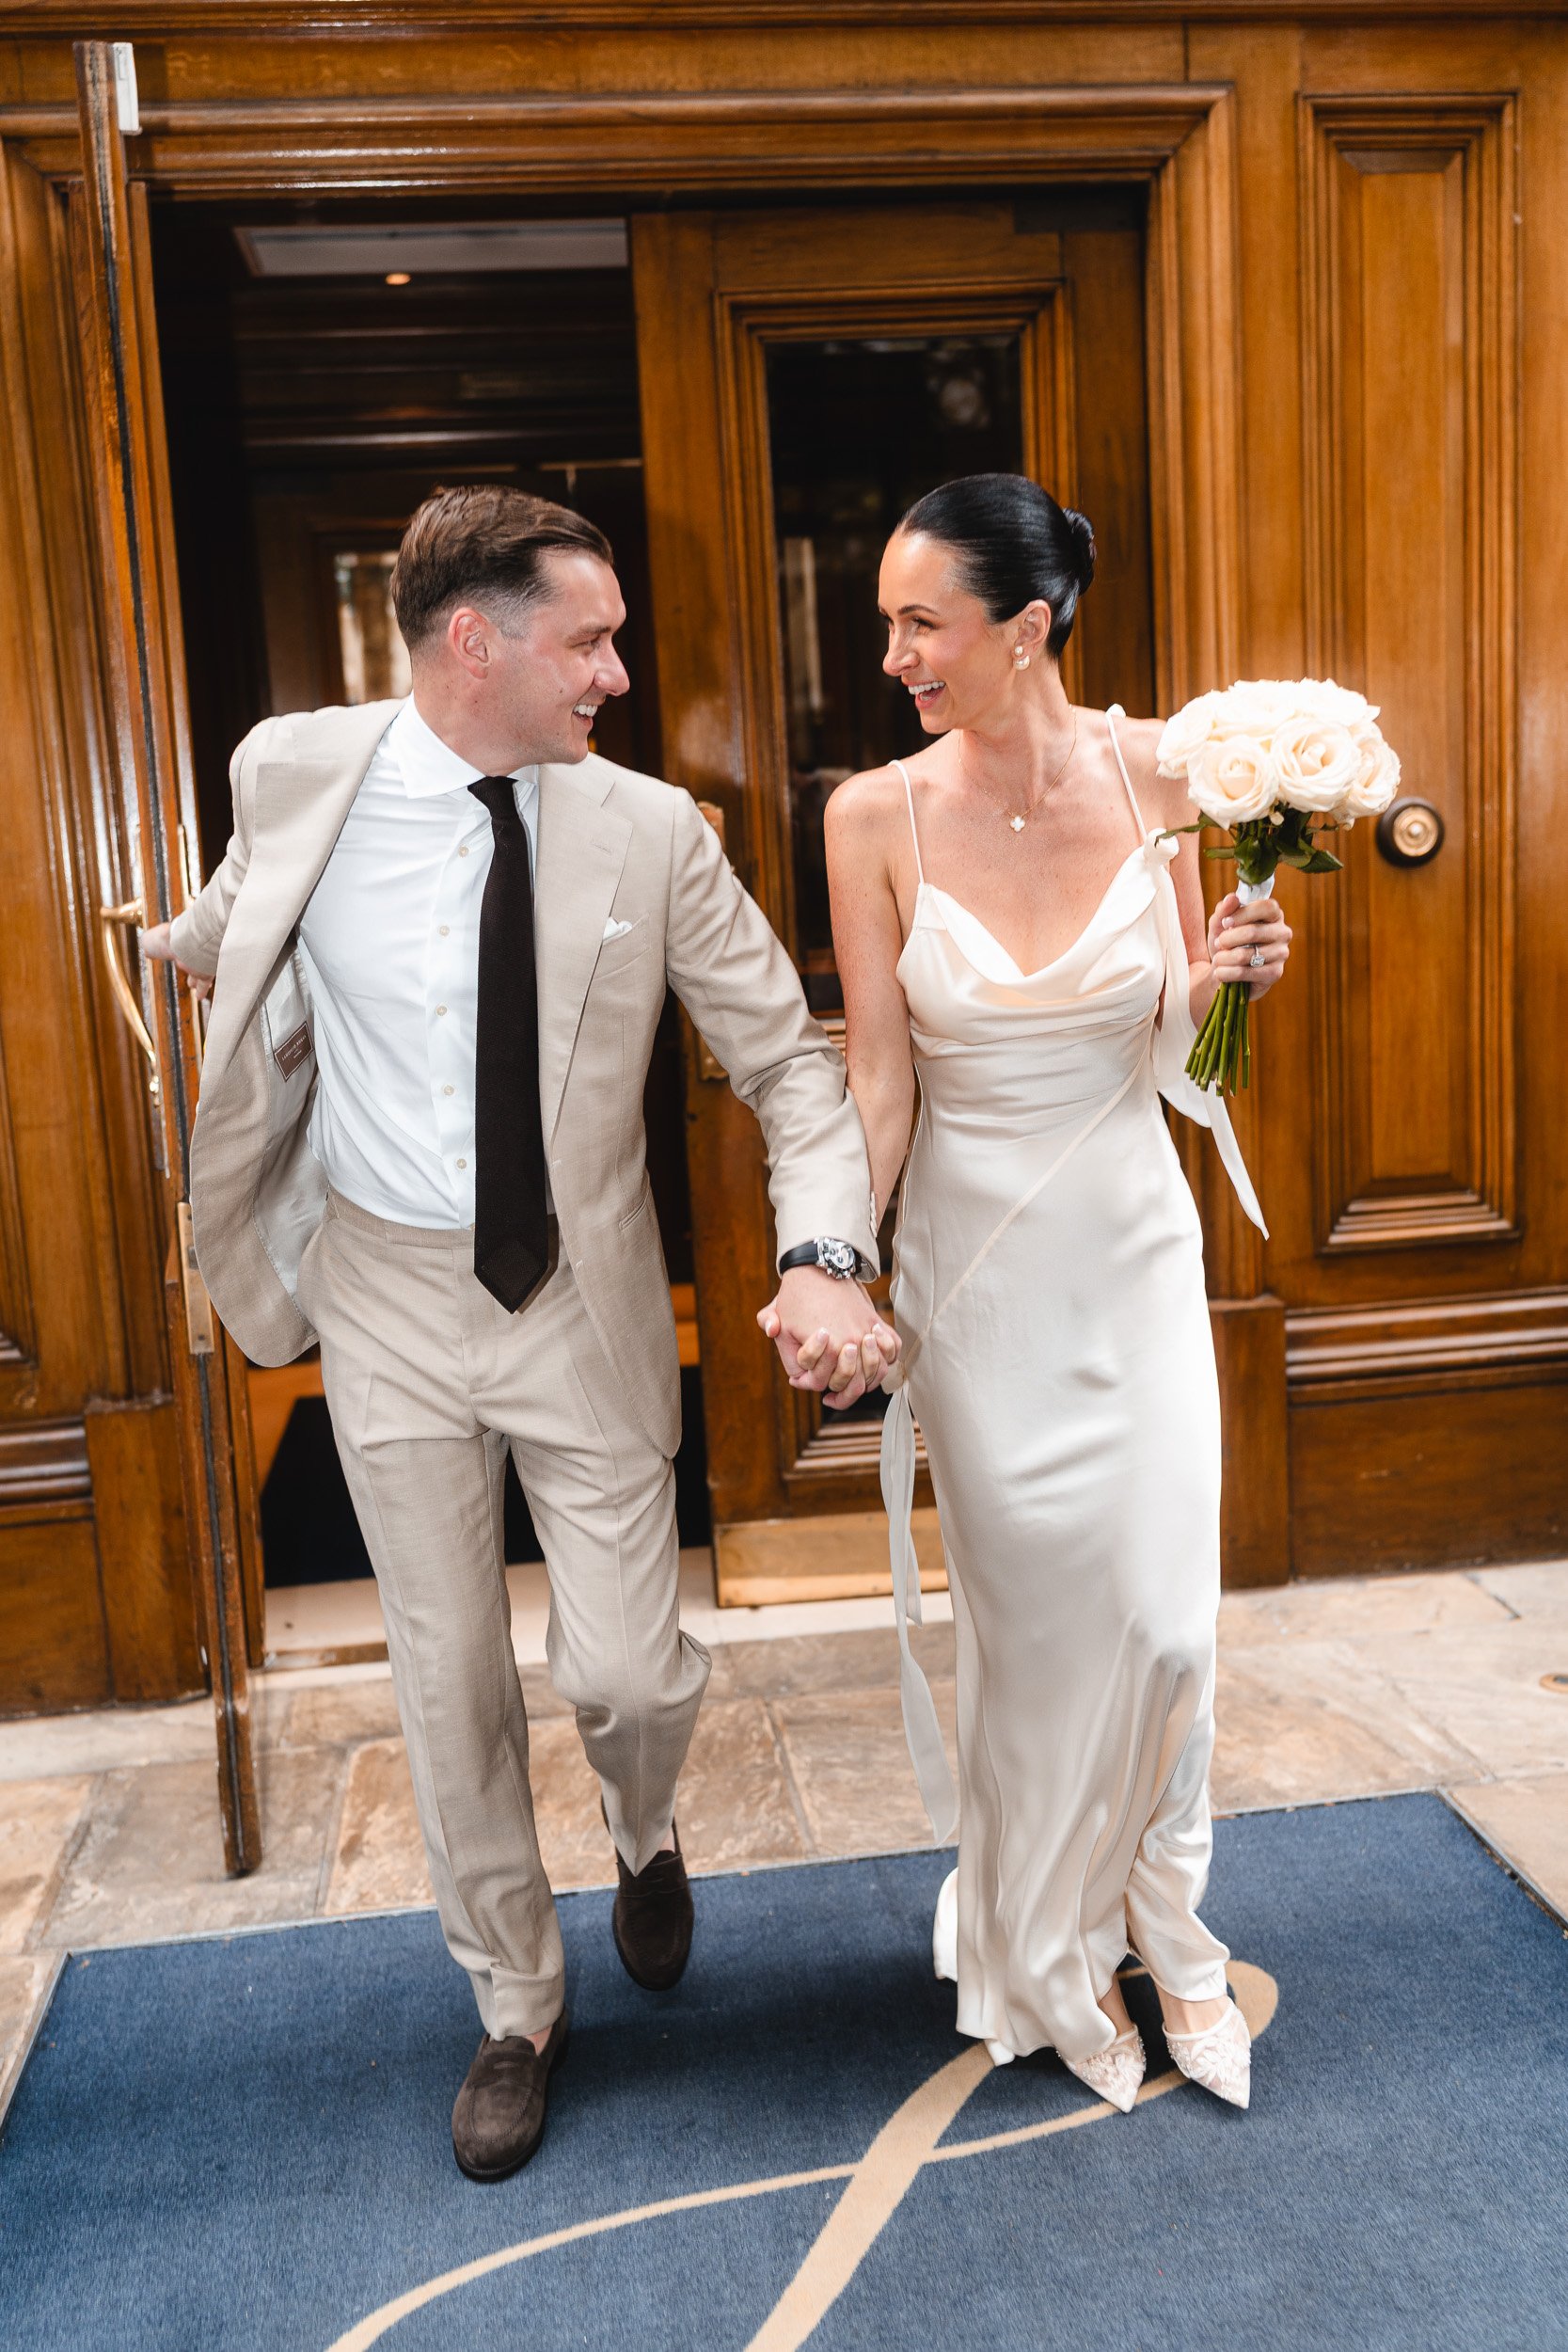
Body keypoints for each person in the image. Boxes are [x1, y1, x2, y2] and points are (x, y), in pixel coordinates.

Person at [142, 485, 897, 2181]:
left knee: (627, 1670)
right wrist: (179, 959)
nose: (618, 673)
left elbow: (787, 1063)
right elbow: (239, 923)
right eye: (592, 638)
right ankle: (514, 2003)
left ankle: (644, 1827)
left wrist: (829, 1249)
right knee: (448, 1675)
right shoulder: (293, 771)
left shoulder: (652, 834)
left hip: (580, 1292)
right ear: (472, 642)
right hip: (385, 1293)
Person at [816, 473, 1289, 2112]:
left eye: (919, 622)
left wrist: (1225, 986)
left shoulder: (1166, 772)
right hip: (982, 1270)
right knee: (1036, 1637)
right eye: (890, 621)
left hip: (1133, 1246)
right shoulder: (872, 816)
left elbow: (1172, 1056)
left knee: (1164, 1626)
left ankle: (1164, 1915)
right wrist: (834, 1261)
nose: (892, 654)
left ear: (1027, 629)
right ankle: (1052, 1943)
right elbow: (879, 1077)